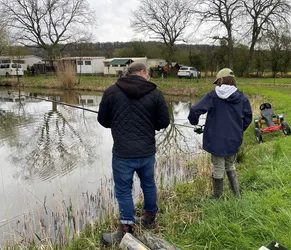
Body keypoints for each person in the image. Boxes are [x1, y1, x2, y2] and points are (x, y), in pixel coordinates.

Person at [97, 62, 170, 245]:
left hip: (122, 152)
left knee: (123, 191)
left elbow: (103, 120)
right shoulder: (155, 93)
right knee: (148, 184)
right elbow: (163, 122)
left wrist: (118, 122)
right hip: (146, 151)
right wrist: (149, 124)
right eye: (149, 73)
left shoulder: (111, 91)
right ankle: (150, 219)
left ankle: (126, 231)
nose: (150, 77)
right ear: (143, 72)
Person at [187, 68, 252, 198]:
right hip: (234, 139)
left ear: (221, 80)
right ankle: (236, 195)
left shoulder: (213, 96)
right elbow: (248, 118)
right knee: (230, 165)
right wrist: (238, 130)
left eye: (217, 81)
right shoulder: (242, 97)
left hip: (216, 140)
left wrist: (194, 122)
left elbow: (195, 110)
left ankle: (218, 197)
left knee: (218, 167)